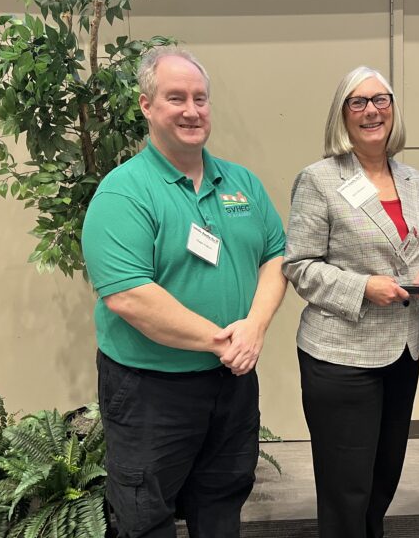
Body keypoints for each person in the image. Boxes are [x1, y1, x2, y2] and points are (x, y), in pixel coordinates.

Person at [81, 47, 287, 538]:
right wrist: (225, 341)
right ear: (146, 105)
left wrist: (254, 328)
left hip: (231, 383)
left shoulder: (242, 183)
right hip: (151, 391)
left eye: (200, 98)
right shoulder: (123, 193)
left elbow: (276, 256)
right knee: (144, 515)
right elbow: (129, 295)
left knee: (222, 502)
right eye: (176, 98)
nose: (192, 110)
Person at [282, 66, 419, 538]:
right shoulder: (319, 179)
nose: (372, 110)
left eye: (381, 100)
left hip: (402, 350)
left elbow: (415, 249)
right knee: (345, 487)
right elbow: (300, 266)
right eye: (358, 102)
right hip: (340, 356)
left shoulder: (413, 180)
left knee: (382, 478)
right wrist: (363, 287)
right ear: (342, 114)